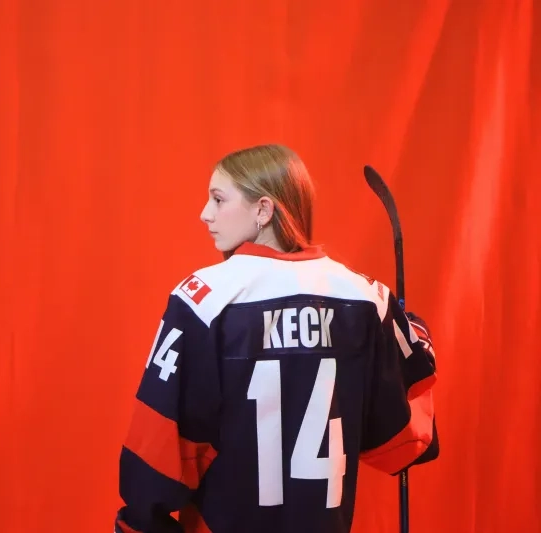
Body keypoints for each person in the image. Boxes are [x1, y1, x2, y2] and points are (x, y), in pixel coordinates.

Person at [114, 144, 439, 533]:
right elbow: (402, 439)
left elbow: (157, 449)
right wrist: (414, 333)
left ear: (264, 210)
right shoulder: (366, 299)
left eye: (218, 199)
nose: (205, 214)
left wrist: (139, 522)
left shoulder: (203, 299)